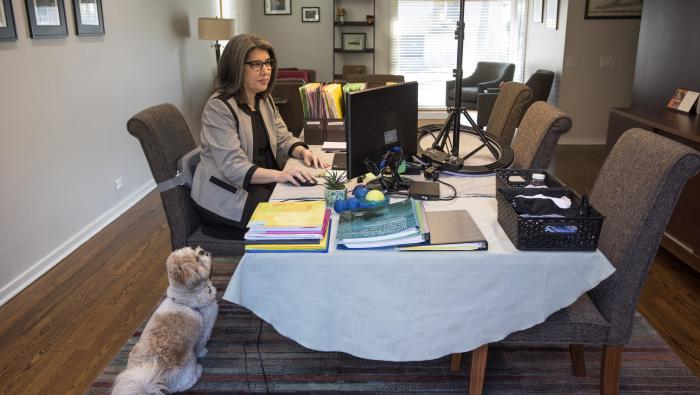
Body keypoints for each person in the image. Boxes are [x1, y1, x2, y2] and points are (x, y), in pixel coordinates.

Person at [191, 34, 328, 239]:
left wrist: (303, 151)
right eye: (256, 65)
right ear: (236, 67)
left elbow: (282, 137)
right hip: (227, 198)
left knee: (314, 200)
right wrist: (281, 175)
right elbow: (233, 166)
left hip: (260, 185)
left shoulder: (264, 99)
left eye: (268, 63)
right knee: (300, 224)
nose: (265, 71)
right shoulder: (218, 107)